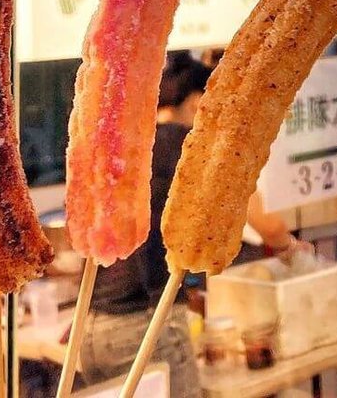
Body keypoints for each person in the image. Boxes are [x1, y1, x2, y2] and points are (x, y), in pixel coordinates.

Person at [80, 52, 307, 394]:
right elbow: (260, 218)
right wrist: (291, 247)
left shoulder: (131, 143)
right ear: (200, 100)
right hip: (144, 324)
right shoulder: (186, 145)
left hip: (92, 328)